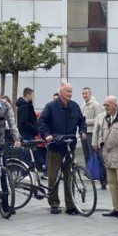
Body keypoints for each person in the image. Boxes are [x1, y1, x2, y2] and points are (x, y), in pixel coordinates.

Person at [38, 83, 88, 215]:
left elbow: (81, 120)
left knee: (70, 175)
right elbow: (42, 122)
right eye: (67, 91)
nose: (70, 94)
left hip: (69, 145)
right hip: (55, 145)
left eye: (71, 91)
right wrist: (47, 134)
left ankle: (71, 205)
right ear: (61, 92)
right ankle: (54, 203)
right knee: (53, 176)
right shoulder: (51, 106)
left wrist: (82, 131)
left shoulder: (75, 106)